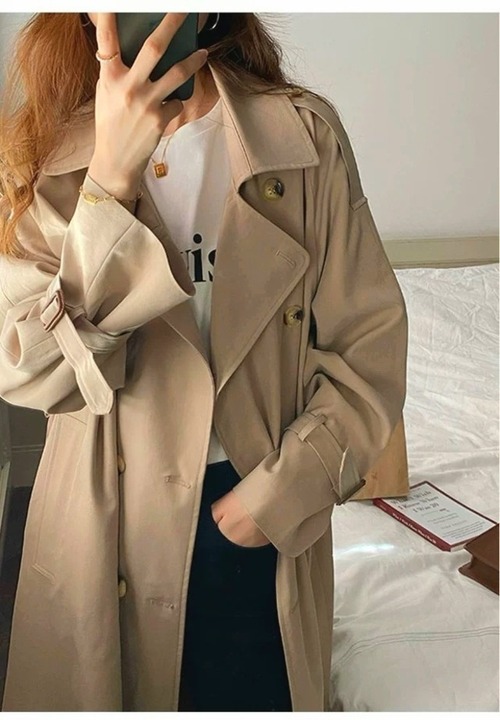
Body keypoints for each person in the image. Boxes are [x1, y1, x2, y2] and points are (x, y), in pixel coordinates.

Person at [0, 12, 408, 712]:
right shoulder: (40, 148)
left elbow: (367, 347)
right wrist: (108, 180)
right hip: (103, 524)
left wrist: (282, 494)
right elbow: (28, 371)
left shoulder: (302, 138)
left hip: (258, 510)